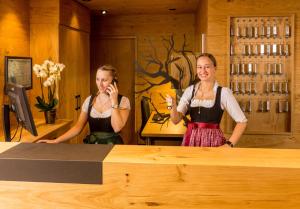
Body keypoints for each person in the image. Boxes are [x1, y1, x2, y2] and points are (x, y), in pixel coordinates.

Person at [166, 53, 247, 147]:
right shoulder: (190, 91)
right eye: (199, 67)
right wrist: (172, 106)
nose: (203, 71)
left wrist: (229, 144)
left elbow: (242, 122)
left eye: (207, 67)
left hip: (213, 141)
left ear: (215, 68)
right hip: (192, 140)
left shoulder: (224, 93)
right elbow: (175, 120)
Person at [38, 64, 130, 144]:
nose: (100, 84)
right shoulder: (89, 100)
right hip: (93, 147)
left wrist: (114, 102)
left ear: (113, 82)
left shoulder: (123, 101)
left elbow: (117, 127)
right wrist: (56, 141)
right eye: (97, 79)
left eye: (104, 80)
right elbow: (78, 127)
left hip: (114, 148)